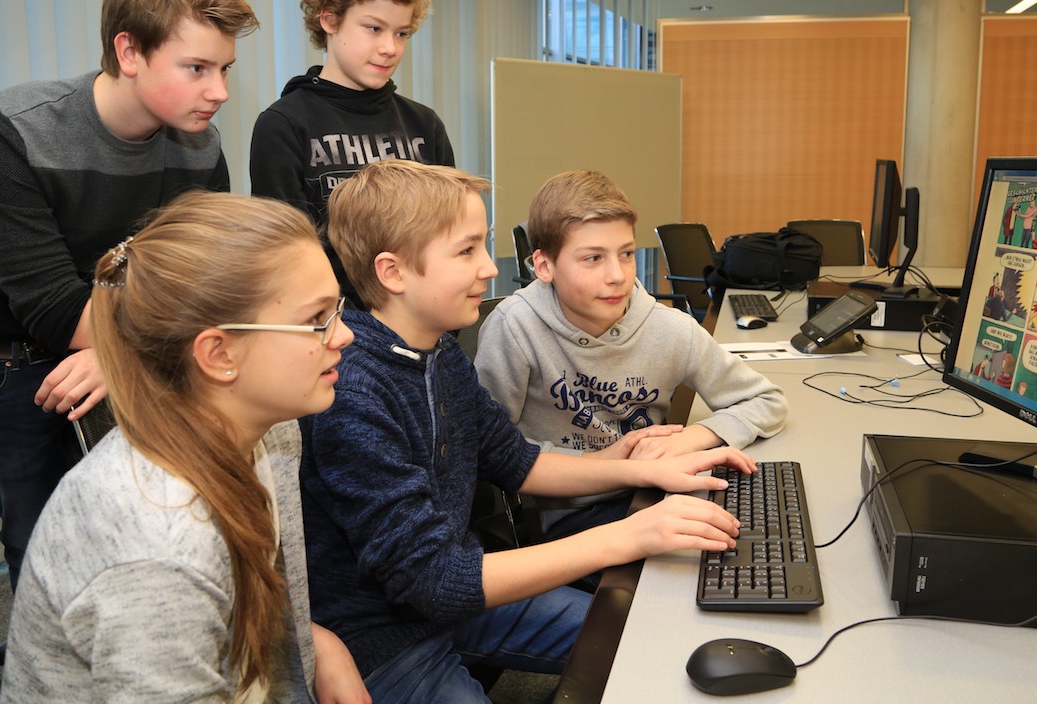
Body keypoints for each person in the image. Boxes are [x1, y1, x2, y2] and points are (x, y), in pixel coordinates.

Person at [300, 159, 754, 702]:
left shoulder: (439, 351)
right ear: (394, 273)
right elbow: (437, 581)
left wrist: (639, 464)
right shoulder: (352, 392)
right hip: (386, 636)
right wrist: (628, 535)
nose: (490, 269)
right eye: (466, 251)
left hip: (459, 598)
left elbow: (519, 461)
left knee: (646, 641)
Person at [2, 192, 368, 703]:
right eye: (317, 319)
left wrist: (314, 641)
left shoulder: (270, 432)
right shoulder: (161, 545)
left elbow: (255, 604)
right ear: (218, 354)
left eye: (338, 310)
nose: (345, 335)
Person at [0, 0, 258, 588]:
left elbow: (206, 280)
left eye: (225, 68)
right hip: (11, 365)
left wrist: (117, 351)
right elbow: (49, 306)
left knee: (143, 528)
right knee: (48, 544)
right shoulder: (10, 133)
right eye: (197, 68)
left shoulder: (199, 145)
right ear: (129, 52)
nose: (219, 92)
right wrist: (132, 341)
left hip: (122, 342)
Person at [475, 169, 788, 537]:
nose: (617, 276)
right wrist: (605, 463)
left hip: (651, 489)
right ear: (544, 266)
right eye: (593, 258)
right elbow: (491, 449)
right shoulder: (514, 329)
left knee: (755, 533)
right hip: (561, 512)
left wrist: (687, 440)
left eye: (626, 254)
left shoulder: (670, 328)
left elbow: (766, 400)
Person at [250, 0, 453, 304]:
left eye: (401, 33)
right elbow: (286, 258)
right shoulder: (283, 126)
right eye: (374, 28)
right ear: (328, 19)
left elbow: (449, 242)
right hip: (335, 330)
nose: (390, 48)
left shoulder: (425, 126)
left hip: (423, 325)